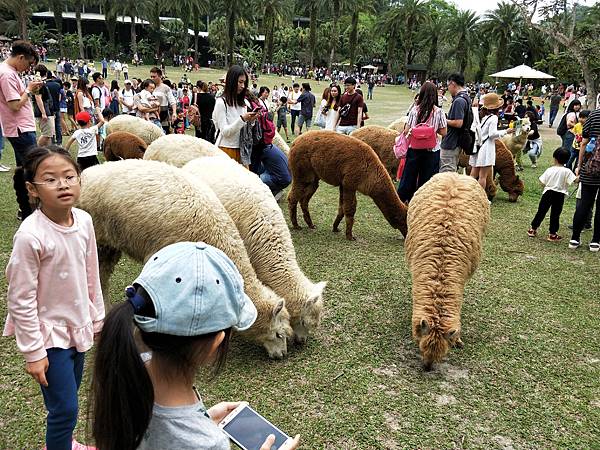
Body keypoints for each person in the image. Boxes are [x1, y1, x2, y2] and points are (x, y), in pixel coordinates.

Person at [89, 241, 300, 450]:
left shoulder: (124, 369)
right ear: (215, 344)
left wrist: (202, 419)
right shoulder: (209, 444)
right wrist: (199, 429)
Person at [3, 146, 104, 450]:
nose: (62, 184)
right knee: (65, 408)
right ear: (32, 189)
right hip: (49, 336)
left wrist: (97, 319)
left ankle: (66, 443)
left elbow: (91, 275)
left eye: (69, 176)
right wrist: (33, 352)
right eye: (51, 179)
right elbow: (20, 299)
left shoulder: (84, 221)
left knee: (70, 394)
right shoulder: (30, 236)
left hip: (77, 325)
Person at [0, 41, 43, 220]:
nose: (28, 67)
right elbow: (15, 105)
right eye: (29, 63)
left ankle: (25, 210)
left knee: (22, 169)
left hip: (21, 128)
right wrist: (29, 90)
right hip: (20, 129)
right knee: (32, 169)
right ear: (20, 57)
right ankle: (30, 211)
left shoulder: (10, 72)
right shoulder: (7, 75)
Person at [397, 81, 447, 203]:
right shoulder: (439, 112)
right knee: (427, 179)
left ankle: (402, 200)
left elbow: (407, 129)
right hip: (432, 150)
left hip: (414, 149)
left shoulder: (415, 110)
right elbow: (444, 132)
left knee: (409, 177)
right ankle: (423, 203)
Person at [528, 148, 577, 242]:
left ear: (554, 158)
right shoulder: (567, 171)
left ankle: (532, 229)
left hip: (548, 193)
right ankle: (552, 234)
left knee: (541, 211)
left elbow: (542, 182)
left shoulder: (550, 169)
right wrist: (579, 175)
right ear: (567, 159)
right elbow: (575, 180)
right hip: (559, 195)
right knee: (555, 214)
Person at [212, 65, 258, 163]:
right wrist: (242, 119)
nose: (243, 86)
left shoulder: (243, 103)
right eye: (240, 82)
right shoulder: (221, 102)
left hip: (243, 151)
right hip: (226, 150)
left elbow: (244, 129)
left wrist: (251, 120)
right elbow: (225, 132)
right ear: (232, 81)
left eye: (244, 83)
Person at [570, 108, 600, 251]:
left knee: (584, 203)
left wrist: (579, 165)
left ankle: (574, 239)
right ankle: (595, 241)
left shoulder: (594, 115)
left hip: (590, 167)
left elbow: (584, 142)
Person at [439, 73, 470, 173]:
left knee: (446, 172)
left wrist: (444, 120)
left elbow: (458, 123)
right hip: (457, 142)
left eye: (448, 86)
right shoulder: (466, 98)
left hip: (451, 143)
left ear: (453, 84)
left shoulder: (459, 101)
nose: (448, 89)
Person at [150, 67, 177, 134]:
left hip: (163, 114)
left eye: (154, 76)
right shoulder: (149, 87)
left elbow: (172, 101)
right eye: (151, 76)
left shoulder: (166, 88)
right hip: (151, 115)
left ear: (160, 76)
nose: (152, 78)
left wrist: (174, 112)